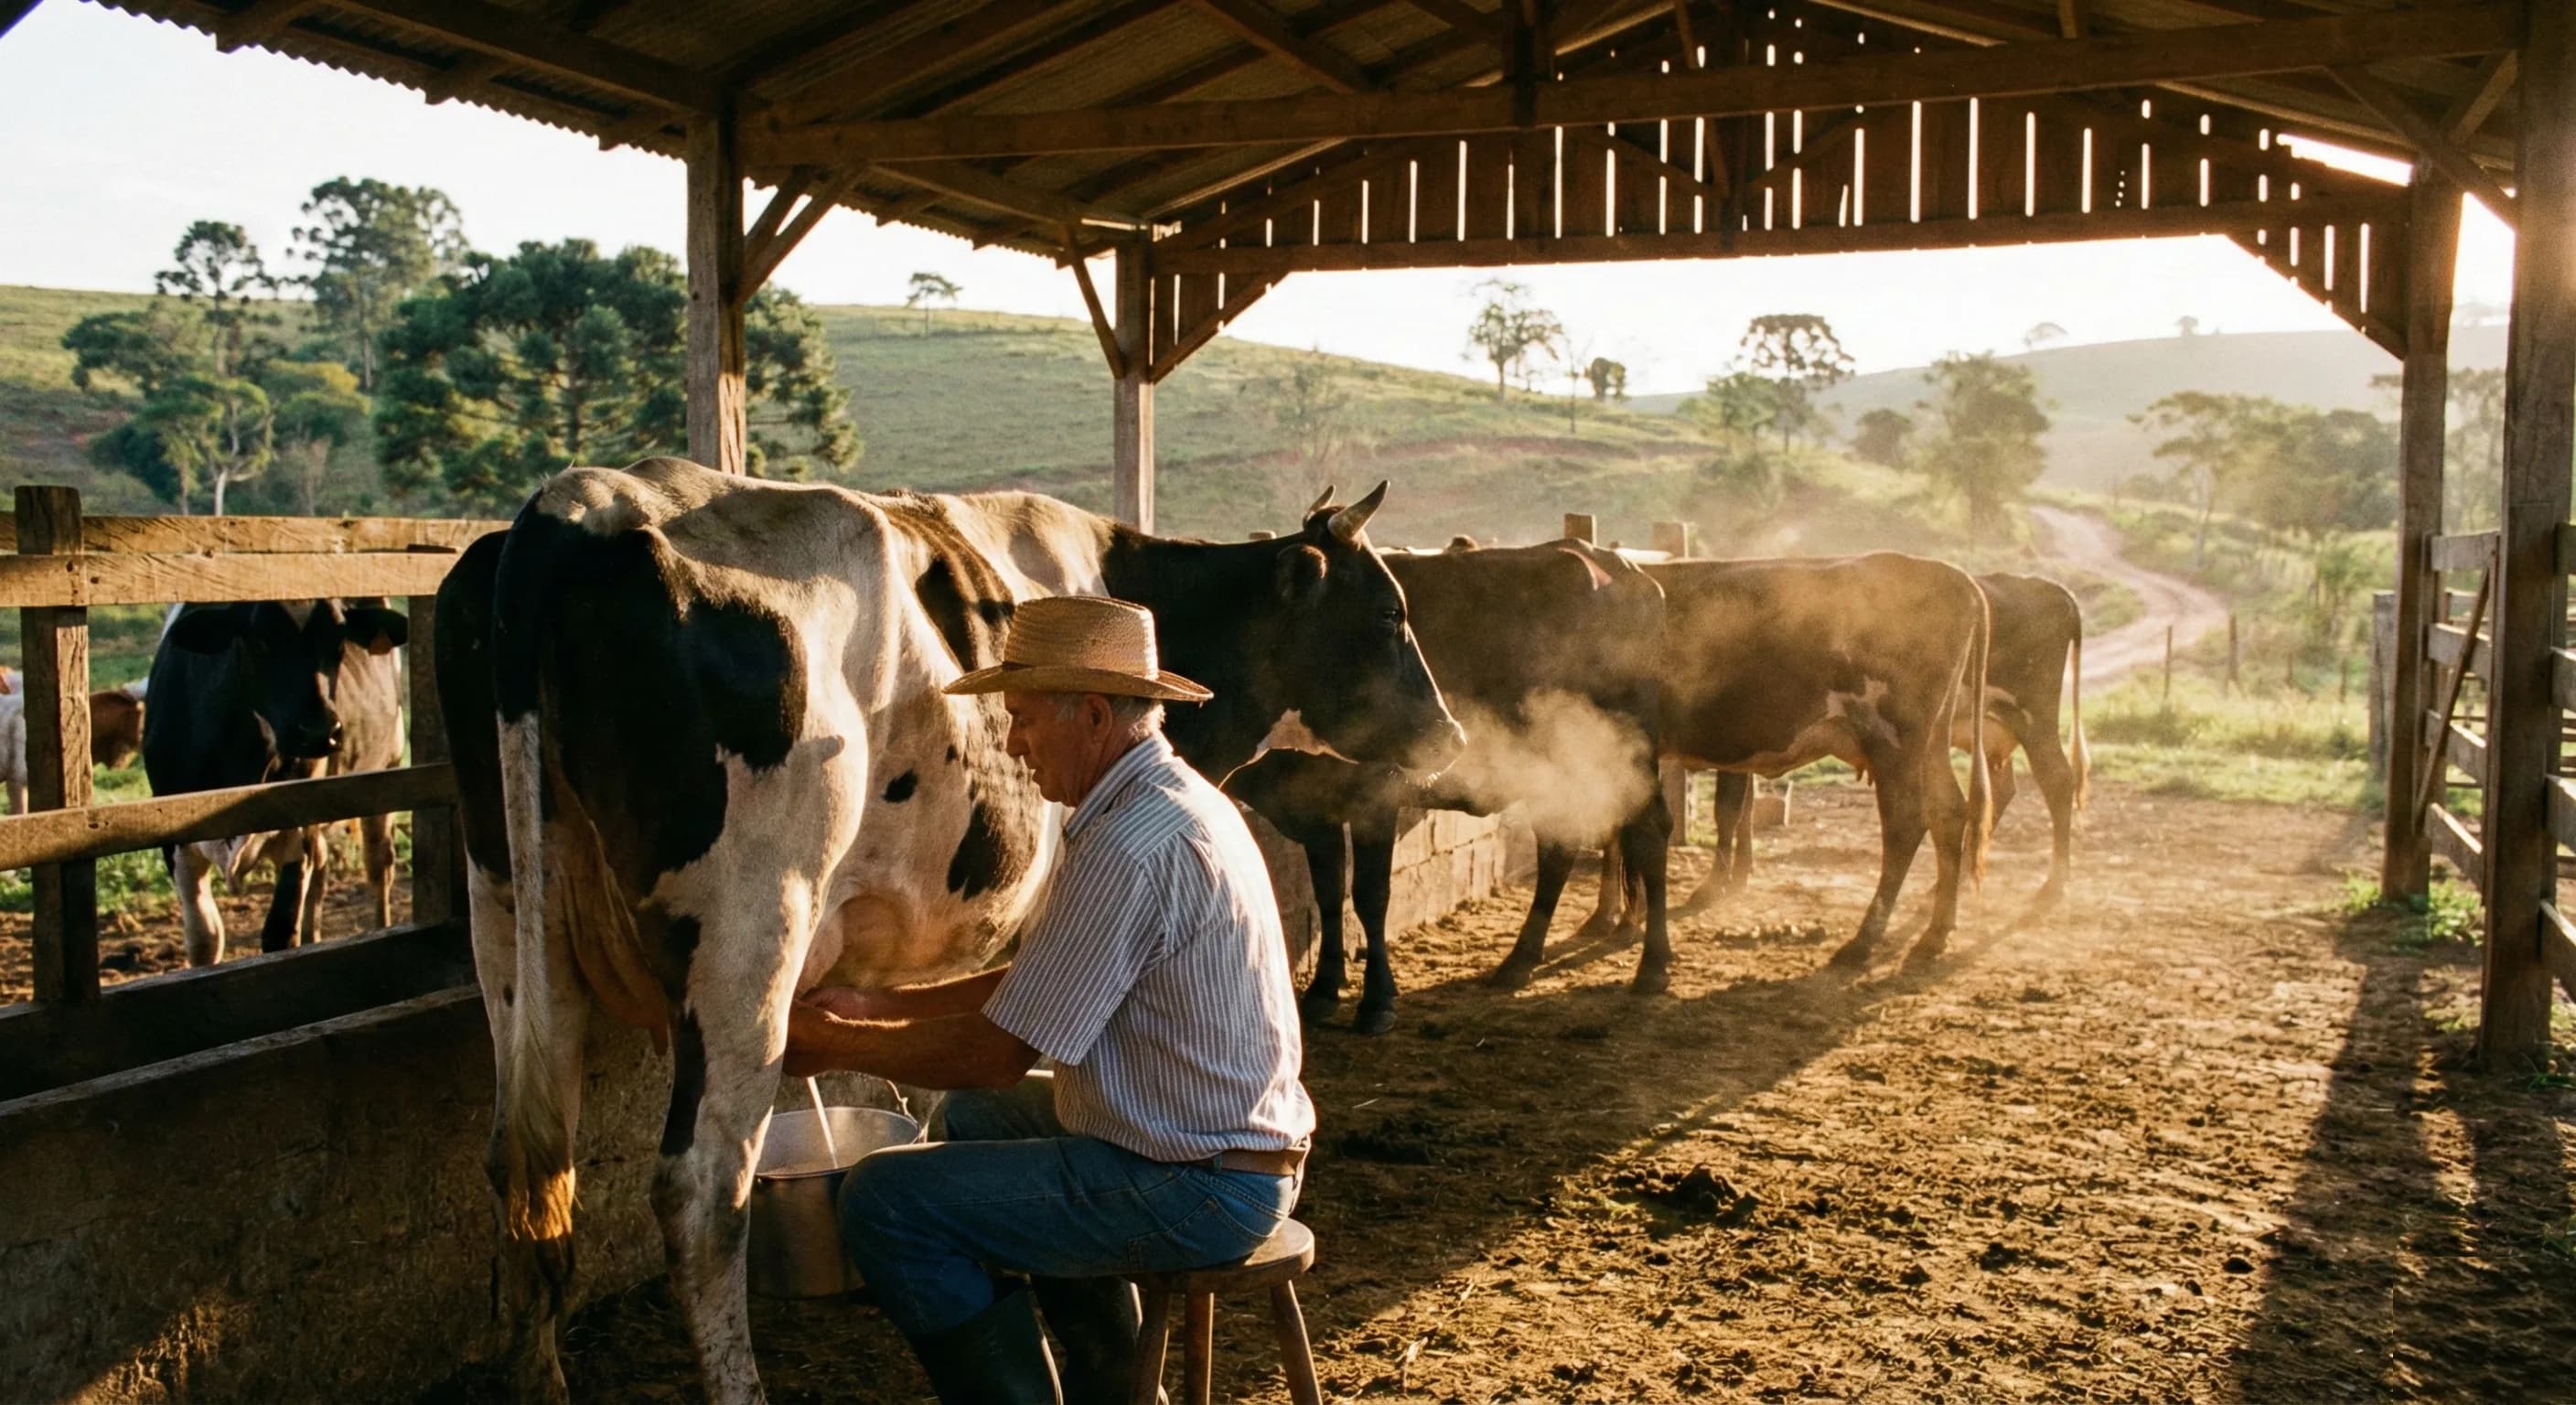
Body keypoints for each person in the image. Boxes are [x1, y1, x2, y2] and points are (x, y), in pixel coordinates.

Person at [785, 594, 1317, 1405]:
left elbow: (997, 1056)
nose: (1012, 743)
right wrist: (869, 1005)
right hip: (1219, 1143)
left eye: (1025, 717)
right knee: (967, 1123)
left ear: (1095, 717)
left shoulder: (1129, 847)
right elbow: (1047, 980)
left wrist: (832, 1046)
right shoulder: (1165, 802)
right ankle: (1112, 1382)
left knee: (885, 1201)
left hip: (1202, 1186)